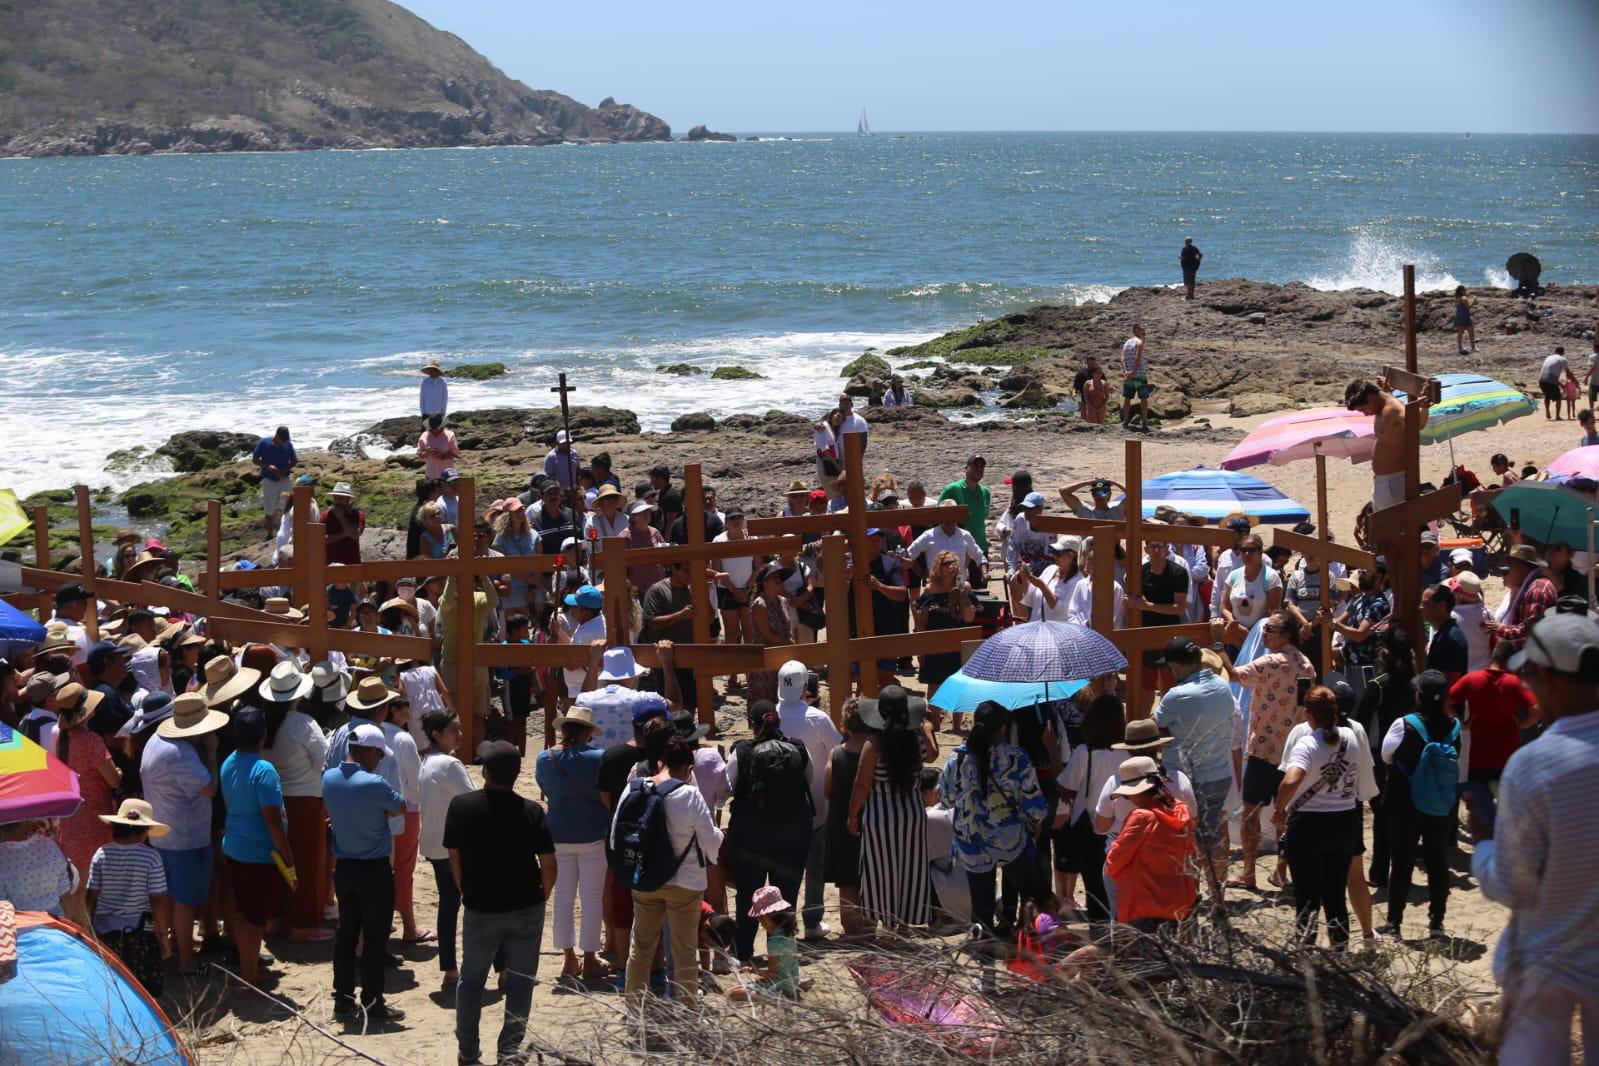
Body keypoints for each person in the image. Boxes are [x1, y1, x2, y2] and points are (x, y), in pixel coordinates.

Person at [1465, 610, 1598, 1063]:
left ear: (1548, 677)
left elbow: (1513, 885)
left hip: (1546, 962)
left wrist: (1485, 843)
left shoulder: (1535, 766)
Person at [445, 740, 556, 1063]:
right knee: (521, 984)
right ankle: (508, 1053)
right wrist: (542, 896)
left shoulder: (461, 807)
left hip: (481, 906)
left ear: (486, 772)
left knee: (471, 981)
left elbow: (454, 856)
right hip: (526, 905)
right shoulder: (532, 811)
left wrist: (464, 890)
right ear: (517, 773)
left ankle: (468, 1052)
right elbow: (549, 864)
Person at [612, 731, 724, 1009]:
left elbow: (616, 835)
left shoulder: (634, 788)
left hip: (645, 880)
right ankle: (686, 1008)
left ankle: (634, 1006)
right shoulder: (689, 794)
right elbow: (710, 841)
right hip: (685, 883)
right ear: (688, 769)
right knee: (683, 950)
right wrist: (720, 839)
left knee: (641, 947)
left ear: (660, 762)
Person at [1211, 612, 1313, 890]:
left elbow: (1233, 675)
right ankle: (1281, 870)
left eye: (1271, 629)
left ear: (1287, 634)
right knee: (1284, 814)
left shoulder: (1270, 662)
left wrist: (1218, 643)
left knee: (1250, 814)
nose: (1265, 633)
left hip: (1263, 749)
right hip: (1292, 751)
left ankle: (1249, 873)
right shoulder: (1307, 665)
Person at [938, 702, 1049, 951]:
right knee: (1031, 893)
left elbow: (945, 798)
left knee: (981, 909)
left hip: (972, 844)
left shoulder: (958, 759)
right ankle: (1031, 947)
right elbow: (1033, 801)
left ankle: (984, 961)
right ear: (1002, 728)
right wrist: (1036, 823)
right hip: (1011, 841)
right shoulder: (1016, 757)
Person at [322, 723, 407, 1024]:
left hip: (345, 868)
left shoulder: (329, 779)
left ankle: (343, 1001)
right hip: (374, 870)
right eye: (380, 754)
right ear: (370, 751)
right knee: (374, 937)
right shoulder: (375, 784)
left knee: (346, 935)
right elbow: (400, 807)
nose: (380, 759)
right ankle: (372, 1002)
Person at [1274, 685, 1370, 948]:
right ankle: (1340, 953)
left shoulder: (1307, 744)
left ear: (1309, 714)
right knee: (1336, 896)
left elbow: (1291, 780)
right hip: (1345, 821)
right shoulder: (1350, 737)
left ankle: (1305, 953)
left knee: (1307, 899)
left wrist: (1279, 810)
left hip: (1308, 826)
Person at [724, 701, 814, 960]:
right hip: (793, 829)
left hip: (751, 833)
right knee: (786, 895)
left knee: (748, 893)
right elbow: (809, 780)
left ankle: (743, 953)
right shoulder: (798, 748)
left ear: (752, 725)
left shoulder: (742, 751)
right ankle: (782, 952)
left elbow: (727, 787)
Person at [1151, 637, 1234, 909]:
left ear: (1177, 666)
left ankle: (1191, 895)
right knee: (1214, 837)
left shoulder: (1177, 696)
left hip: (1188, 779)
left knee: (1186, 839)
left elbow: (1155, 726)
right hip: (1219, 774)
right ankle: (1218, 895)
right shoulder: (1222, 686)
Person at [533, 704, 612, 984]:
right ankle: (589, 958)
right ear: (588, 733)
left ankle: (569, 959)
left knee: (563, 899)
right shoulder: (599, 758)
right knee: (592, 898)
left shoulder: (544, 758)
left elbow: (545, 790)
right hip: (593, 832)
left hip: (557, 834)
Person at [1378, 671, 1459, 939]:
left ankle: (1394, 924)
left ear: (1418, 695)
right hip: (1441, 805)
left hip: (1405, 803)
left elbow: (1386, 755)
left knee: (1402, 864)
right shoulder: (1454, 727)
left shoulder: (1404, 724)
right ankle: (1437, 923)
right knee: (1438, 862)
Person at [220, 706, 294, 995]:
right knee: (253, 918)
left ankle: (247, 969)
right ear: (264, 734)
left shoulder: (229, 762)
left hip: (235, 847)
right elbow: (272, 819)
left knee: (243, 913)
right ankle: (249, 977)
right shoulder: (264, 770)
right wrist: (288, 857)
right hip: (258, 854)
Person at [847, 686, 929, 930]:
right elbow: (933, 754)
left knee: (879, 871)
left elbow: (862, 783)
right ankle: (904, 924)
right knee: (909, 867)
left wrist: (852, 814)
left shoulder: (874, 743)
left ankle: (882, 922)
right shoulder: (916, 739)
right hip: (912, 812)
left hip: (880, 815)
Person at [774, 662, 843, 941]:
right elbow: (838, 750)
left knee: (784, 869)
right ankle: (812, 921)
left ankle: (783, 923)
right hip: (816, 804)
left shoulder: (771, 715)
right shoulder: (817, 718)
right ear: (805, 686)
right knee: (815, 866)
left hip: (780, 806)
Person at [87, 799, 173, 997]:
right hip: (140, 934)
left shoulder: (101, 854)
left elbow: (91, 894)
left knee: (110, 985)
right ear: (144, 832)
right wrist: (163, 933)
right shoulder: (151, 857)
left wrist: (88, 925)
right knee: (140, 988)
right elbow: (158, 899)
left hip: (105, 931)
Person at [1102, 757, 1197, 932]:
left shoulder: (1142, 817)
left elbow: (1114, 861)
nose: (1128, 799)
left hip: (1143, 904)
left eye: (1127, 794)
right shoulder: (1180, 810)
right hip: (1177, 901)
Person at [1052, 693, 1123, 921]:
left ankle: (1100, 934)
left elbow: (1066, 785)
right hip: (1121, 830)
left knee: (1095, 892)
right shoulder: (1129, 753)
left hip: (1090, 831)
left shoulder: (1085, 753)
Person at [417, 711, 474, 992]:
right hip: (455, 848)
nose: (459, 735)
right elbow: (472, 801)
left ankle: (450, 969)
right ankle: (499, 969)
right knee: (477, 906)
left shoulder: (427, 760)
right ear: (437, 734)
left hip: (434, 844)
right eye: (454, 730)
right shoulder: (450, 764)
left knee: (448, 906)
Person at [1449, 640, 1535, 793]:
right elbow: (1537, 709)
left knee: (1479, 804)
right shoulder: (1515, 683)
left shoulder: (1471, 679)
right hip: (1508, 758)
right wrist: (1524, 724)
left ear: (1492, 658)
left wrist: (1462, 723)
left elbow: (1446, 702)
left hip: (1479, 757)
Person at [824, 702, 871, 934]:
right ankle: (870, 925)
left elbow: (827, 789)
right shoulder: (874, 753)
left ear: (845, 724)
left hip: (842, 820)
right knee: (870, 874)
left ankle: (852, 930)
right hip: (869, 819)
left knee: (847, 878)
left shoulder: (836, 753)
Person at [916, 550, 976, 725]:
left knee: (959, 684)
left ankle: (957, 724)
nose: (951, 567)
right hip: (935, 642)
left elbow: (969, 618)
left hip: (959, 642)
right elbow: (922, 622)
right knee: (934, 685)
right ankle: (934, 723)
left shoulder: (965, 587)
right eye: (946, 563)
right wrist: (921, 649)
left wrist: (963, 596)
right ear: (938, 566)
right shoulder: (930, 589)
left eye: (953, 563)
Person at [727, 886, 801, 1002]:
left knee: (731, 993)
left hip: (781, 986)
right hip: (793, 982)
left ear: (766, 917)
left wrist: (752, 970)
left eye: (760, 919)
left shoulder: (774, 943)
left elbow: (772, 975)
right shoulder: (788, 933)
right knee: (751, 983)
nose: (761, 923)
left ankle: (773, 997)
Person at [1345, 379, 1407, 511]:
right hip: (1384, 482)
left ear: (1370, 398)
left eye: (1363, 409)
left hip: (1393, 482)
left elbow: (1416, 422)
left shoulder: (1394, 408)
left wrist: (1424, 408)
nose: (1365, 414)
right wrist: (1388, 392)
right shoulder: (1383, 408)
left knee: (1390, 523)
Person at [1485, 544, 1558, 647]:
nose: (1509, 572)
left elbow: (1530, 630)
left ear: (1521, 568)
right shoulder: (1535, 585)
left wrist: (1500, 629)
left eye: (1510, 568)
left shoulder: (1536, 590)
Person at [1218, 533, 1283, 646]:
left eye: (1251, 550)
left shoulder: (1271, 577)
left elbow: (1272, 611)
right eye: (1243, 550)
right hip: (1236, 636)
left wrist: (1252, 632)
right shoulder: (1233, 576)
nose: (1247, 554)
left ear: (1260, 553)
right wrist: (1236, 625)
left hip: (1260, 638)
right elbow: (1224, 607)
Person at [938, 455, 992, 562]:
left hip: (980, 548)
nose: (978, 469)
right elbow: (938, 516)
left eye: (981, 466)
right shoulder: (952, 489)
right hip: (958, 550)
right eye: (975, 466)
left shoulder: (985, 492)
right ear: (966, 468)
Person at [1014, 536, 1081, 623]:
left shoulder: (1078, 580)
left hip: (1056, 630)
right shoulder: (1050, 569)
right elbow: (1030, 600)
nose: (1054, 556)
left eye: (1058, 553)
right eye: (1053, 552)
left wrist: (1042, 586)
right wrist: (1025, 577)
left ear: (1071, 556)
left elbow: (1060, 611)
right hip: (1036, 627)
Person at [252, 426, 297, 539]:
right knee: (269, 507)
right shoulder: (264, 443)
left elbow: (293, 461)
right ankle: (270, 534)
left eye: (285, 441)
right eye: (282, 441)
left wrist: (284, 470)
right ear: (277, 436)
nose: (283, 443)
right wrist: (268, 466)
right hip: (269, 479)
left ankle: (285, 532)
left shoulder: (288, 444)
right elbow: (255, 459)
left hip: (284, 479)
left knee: (286, 506)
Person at [1421, 583, 1469, 680]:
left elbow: (1449, 682)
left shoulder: (1450, 639)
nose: (1420, 607)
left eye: (1426, 604)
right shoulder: (1443, 633)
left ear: (1442, 606)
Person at [322, 483, 365, 566]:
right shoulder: (325, 515)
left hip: (352, 564)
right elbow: (322, 540)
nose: (338, 501)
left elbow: (355, 535)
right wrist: (346, 533)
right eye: (335, 498)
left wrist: (341, 517)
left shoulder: (358, 515)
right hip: (330, 565)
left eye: (341, 498)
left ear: (348, 499)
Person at [1121, 324, 1152, 429]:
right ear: (1136, 330)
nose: (1144, 331)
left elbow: (1122, 358)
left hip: (1129, 376)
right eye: (1141, 329)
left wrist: (1126, 371)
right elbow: (1137, 357)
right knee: (1143, 398)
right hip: (1139, 375)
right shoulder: (1139, 342)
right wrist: (1133, 372)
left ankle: (1126, 420)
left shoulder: (1126, 343)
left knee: (1127, 398)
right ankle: (1144, 421)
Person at [1059, 478, 1126, 522]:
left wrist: (1115, 482)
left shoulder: (1118, 510)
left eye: (1103, 493)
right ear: (1092, 495)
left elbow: (1131, 493)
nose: (1099, 496)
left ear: (1109, 494)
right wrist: (1088, 482)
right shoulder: (1085, 510)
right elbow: (1063, 491)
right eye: (1095, 493)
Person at [416, 415, 460, 480]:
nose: (434, 429)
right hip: (431, 473)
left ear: (441, 425)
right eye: (432, 427)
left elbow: (455, 453)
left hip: (447, 473)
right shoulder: (424, 435)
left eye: (436, 427)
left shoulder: (450, 435)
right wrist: (426, 453)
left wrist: (442, 456)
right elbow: (420, 454)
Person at [1538, 345, 1575, 420]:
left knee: (1547, 395)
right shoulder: (1563, 359)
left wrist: (1561, 385)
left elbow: (1549, 373)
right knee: (1558, 398)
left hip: (1541, 380)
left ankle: (1547, 411)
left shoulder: (1549, 357)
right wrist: (1572, 381)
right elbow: (1568, 372)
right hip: (1551, 381)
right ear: (1563, 352)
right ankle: (1557, 416)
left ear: (1555, 351)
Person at [1452, 285, 1476, 354]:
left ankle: (1460, 348)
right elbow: (1468, 307)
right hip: (1465, 316)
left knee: (1460, 333)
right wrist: (1474, 303)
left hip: (1458, 315)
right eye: (1465, 290)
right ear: (1462, 291)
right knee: (1471, 331)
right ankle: (1473, 347)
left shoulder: (1456, 298)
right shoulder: (1463, 298)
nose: (1466, 292)